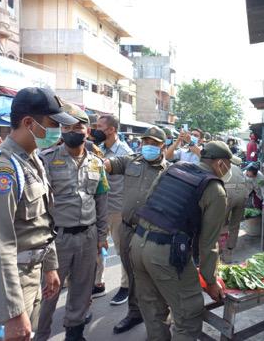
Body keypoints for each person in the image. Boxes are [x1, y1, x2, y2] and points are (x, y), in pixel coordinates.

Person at [0, 87, 77, 341]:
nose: (58, 131)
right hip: (8, 286)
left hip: (31, 277)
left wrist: (50, 266)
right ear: (28, 123)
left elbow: (44, 222)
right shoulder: (1, 170)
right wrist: (11, 312)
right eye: (53, 124)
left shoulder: (32, 161)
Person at [131, 141, 232, 340]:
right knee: (189, 314)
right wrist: (210, 281)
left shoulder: (173, 169)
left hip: (137, 244)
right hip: (166, 255)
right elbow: (208, 243)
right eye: (230, 164)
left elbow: (148, 202)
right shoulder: (215, 189)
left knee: (153, 309)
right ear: (220, 163)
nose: (230, 169)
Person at [35, 104, 109, 341]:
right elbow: (39, 206)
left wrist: (101, 236)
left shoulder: (97, 163)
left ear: (88, 131)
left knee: (82, 288)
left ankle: (74, 333)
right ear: (61, 130)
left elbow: (101, 201)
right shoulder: (46, 160)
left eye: (79, 126)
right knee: (49, 292)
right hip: (57, 239)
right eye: (67, 126)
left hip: (88, 237)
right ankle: (41, 334)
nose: (73, 130)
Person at [104, 126, 169, 334]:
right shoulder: (130, 161)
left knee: (151, 275)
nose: (148, 146)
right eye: (146, 142)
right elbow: (108, 165)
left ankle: (159, 315)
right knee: (131, 273)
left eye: (154, 143)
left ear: (163, 146)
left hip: (150, 234)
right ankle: (134, 313)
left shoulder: (169, 172)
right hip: (127, 229)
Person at [92, 115, 133, 302]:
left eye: (99, 126)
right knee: (98, 247)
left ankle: (126, 286)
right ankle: (98, 283)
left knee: (121, 249)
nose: (95, 129)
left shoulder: (125, 152)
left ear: (111, 130)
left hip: (118, 208)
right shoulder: (97, 149)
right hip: (99, 208)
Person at [221, 161, 248, 263]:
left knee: (221, 224)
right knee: (235, 224)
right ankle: (229, 249)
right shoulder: (237, 168)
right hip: (242, 195)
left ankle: (221, 250)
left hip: (228, 195)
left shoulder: (220, 166)